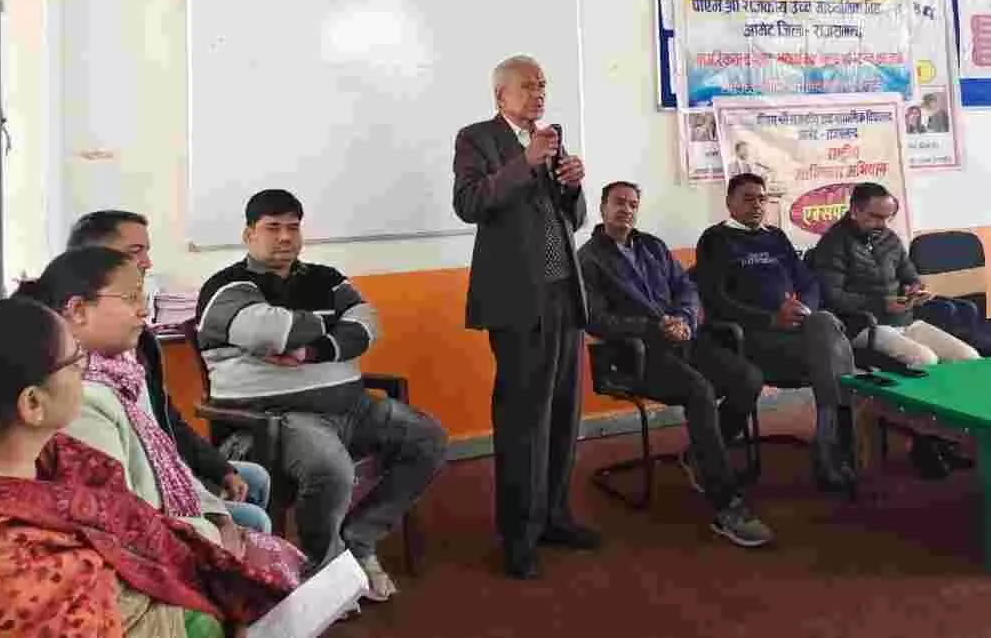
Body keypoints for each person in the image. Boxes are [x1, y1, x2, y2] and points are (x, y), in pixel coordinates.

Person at [0, 296, 293, 637]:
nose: (84, 370)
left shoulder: (61, 460)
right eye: (74, 361)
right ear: (33, 404)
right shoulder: (4, 561)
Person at [197, 188, 448, 601]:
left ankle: (359, 539)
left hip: (352, 406)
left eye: (292, 227)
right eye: (272, 228)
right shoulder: (226, 287)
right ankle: (328, 571)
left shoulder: (326, 278)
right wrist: (332, 321)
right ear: (248, 234)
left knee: (429, 438)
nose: (285, 237)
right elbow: (268, 331)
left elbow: (367, 324)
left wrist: (313, 349)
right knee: (332, 468)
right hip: (277, 418)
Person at [452, 54, 600, 580]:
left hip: (564, 296)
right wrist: (525, 163)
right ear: (501, 95)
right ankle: (519, 534)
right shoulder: (477, 138)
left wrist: (574, 185)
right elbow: (469, 203)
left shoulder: (550, 138)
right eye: (529, 86)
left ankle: (554, 516)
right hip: (517, 301)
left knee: (563, 414)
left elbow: (572, 220)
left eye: (543, 85)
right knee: (522, 420)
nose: (539, 94)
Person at [578, 181, 772, 548]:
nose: (626, 209)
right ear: (602, 208)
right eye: (618, 202)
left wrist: (684, 318)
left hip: (682, 339)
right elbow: (597, 320)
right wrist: (654, 327)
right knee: (699, 391)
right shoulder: (588, 259)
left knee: (748, 377)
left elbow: (687, 289)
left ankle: (700, 456)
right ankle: (726, 505)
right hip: (636, 354)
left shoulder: (652, 246)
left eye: (633, 204)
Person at [68, 210, 273, 534]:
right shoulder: (82, 377)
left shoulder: (136, 344)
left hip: (162, 466)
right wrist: (213, 520)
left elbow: (165, 420)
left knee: (252, 479)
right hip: (147, 499)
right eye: (135, 251)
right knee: (253, 519)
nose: (147, 262)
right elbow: (124, 501)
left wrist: (219, 469)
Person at [694, 173, 857, 492]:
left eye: (761, 198)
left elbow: (808, 283)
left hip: (797, 333)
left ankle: (828, 448)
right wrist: (771, 319)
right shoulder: (715, 240)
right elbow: (716, 301)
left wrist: (804, 309)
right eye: (747, 198)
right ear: (729, 203)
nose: (756, 205)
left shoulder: (776, 236)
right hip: (748, 338)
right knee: (833, 352)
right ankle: (834, 450)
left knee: (823, 325)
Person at [810, 183, 980, 367]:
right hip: (862, 326)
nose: (882, 224)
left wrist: (915, 289)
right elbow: (833, 297)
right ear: (855, 211)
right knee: (925, 359)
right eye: (876, 217)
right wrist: (882, 304)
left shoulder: (889, 238)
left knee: (968, 357)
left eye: (887, 217)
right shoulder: (833, 244)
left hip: (904, 320)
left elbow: (909, 275)